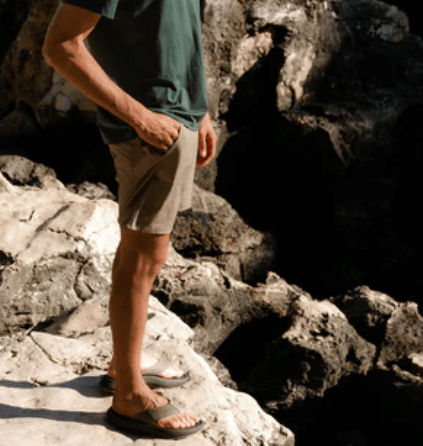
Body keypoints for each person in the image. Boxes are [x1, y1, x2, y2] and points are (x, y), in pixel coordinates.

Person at [42, 0, 216, 439]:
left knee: (143, 256)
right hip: (151, 130)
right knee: (143, 258)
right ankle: (130, 396)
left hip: (175, 119)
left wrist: (200, 109)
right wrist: (142, 118)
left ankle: (125, 366)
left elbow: (180, 28)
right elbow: (61, 45)